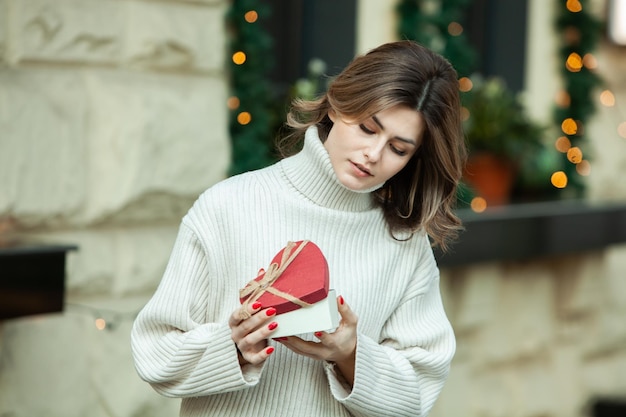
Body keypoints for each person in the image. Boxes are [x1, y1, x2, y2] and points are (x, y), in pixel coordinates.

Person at [131, 40, 466, 417]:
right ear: (339, 105)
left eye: (399, 149)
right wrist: (233, 347)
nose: (374, 153)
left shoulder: (404, 243)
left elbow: (417, 395)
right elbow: (155, 354)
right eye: (368, 128)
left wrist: (352, 356)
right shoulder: (226, 206)